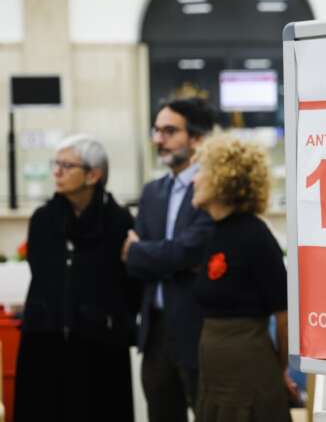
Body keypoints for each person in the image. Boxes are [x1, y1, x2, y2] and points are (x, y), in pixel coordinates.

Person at [14, 135, 140, 422]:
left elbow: (129, 284)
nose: (56, 172)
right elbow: (42, 272)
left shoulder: (119, 221)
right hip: (46, 338)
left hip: (99, 343)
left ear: (93, 175)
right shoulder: (44, 218)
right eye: (55, 164)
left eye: (67, 166)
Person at [190, 135, 297, 422]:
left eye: (201, 171)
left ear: (224, 177)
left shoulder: (255, 235)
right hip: (214, 371)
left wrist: (281, 367)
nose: (194, 180)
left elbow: (284, 314)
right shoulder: (212, 232)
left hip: (248, 370)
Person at [121, 97, 215, 422]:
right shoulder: (152, 192)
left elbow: (192, 250)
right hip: (156, 332)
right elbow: (133, 262)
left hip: (199, 329)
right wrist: (157, 256)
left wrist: (145, 252)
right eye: (157, 130)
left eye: (170, 131)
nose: (158, 139)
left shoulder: (213, 188)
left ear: (197, 138)